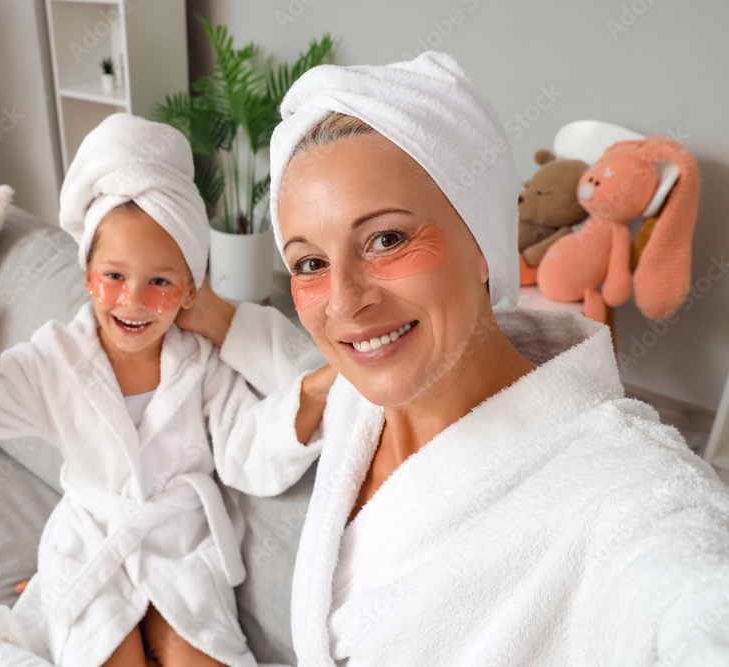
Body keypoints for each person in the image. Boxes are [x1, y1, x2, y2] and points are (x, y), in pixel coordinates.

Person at [267, 51, 729, 665]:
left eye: (387, 239)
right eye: (310, 264)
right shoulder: (361, 394)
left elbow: (691, 593)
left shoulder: (626, 487)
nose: (346, 303)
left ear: (483, 243)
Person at [0, 114, 332, 667]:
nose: (133, 301)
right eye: (113, 275)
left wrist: (313, 393)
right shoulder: (54, 363)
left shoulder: (203, 362)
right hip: (93, 542)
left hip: (182, 551)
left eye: (160, 282)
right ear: (84, 272)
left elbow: (245, 454)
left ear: (190, 289)